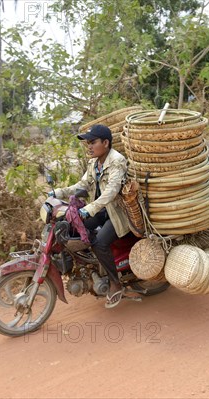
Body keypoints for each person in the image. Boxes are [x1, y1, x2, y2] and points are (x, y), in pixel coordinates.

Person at [49, 124, 131, 308]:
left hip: (118, 214)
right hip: (101, 210)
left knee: (100, 242)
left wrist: (89, 210)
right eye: (88, 143)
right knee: (71, 227)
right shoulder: (95, 162)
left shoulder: (116, 161)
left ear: (106, 142)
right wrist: (58, 192)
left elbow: (111, 192)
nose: (89, 146)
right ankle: (89, 267)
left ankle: (115, 283)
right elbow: (82, 184)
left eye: (92, 142)